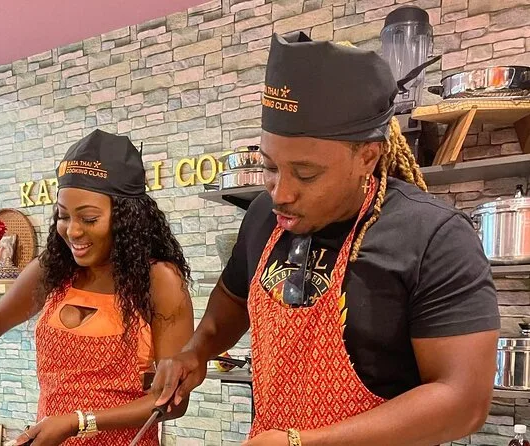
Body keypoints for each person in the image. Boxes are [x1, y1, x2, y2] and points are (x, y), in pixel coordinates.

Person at [152, 32, 500, 446]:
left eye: (306, 174)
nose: (281, 193)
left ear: (367, 156)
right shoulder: (263, 216)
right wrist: (195, 352)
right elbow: (231, 302)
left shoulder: (433, 237)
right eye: (270, 167)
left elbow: (463, 401)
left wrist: (302, 442)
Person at [0, 129, 194, 446]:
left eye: (89, 219)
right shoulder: (54, 269)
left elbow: (173, 401)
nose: (72, 231)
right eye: (63, 216)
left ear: (126, 218)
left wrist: (79, 423)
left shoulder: (159, 280)